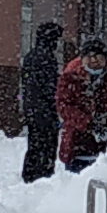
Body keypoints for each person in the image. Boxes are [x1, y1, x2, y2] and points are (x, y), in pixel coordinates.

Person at [56, 38, 107, 174]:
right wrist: (88, 123)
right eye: (88, 56)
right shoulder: (69, 79)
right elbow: (64, 106)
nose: (93, 60)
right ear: (82, 59)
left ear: (105, 58)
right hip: (77, 147)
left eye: (98, 56)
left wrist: (106, 121)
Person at [17, 19, 65, 181]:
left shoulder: (31, 56)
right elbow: (49, 87)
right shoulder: (46, 59)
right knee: (46, 144)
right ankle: (41, 175)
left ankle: (31, 173)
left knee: (35, 144)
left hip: (32, 109)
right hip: (44, 111)